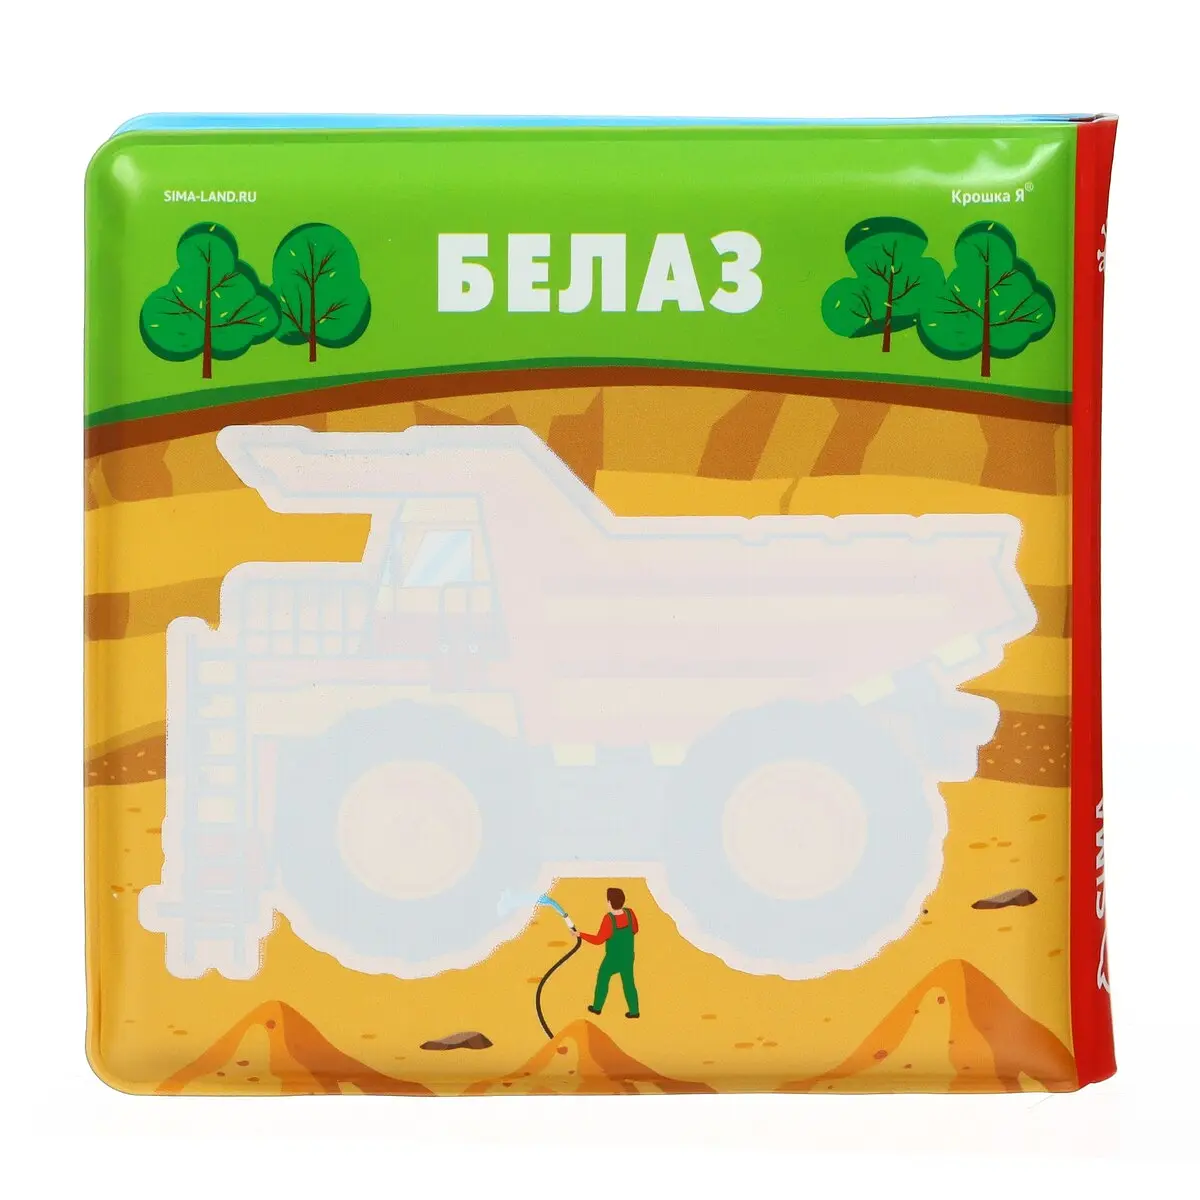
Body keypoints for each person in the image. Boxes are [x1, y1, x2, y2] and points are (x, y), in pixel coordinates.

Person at [577, 886, 640, 1018]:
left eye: (607, 900)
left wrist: (580, 934)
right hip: (628, 957)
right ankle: (634, 1011)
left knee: (602, 979)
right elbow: (635, 930)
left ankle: (597, 1007)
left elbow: (598, 940)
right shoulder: (630, 913)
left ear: (610, 902)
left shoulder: (609, 919)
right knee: (629, 983)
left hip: (612, 959)